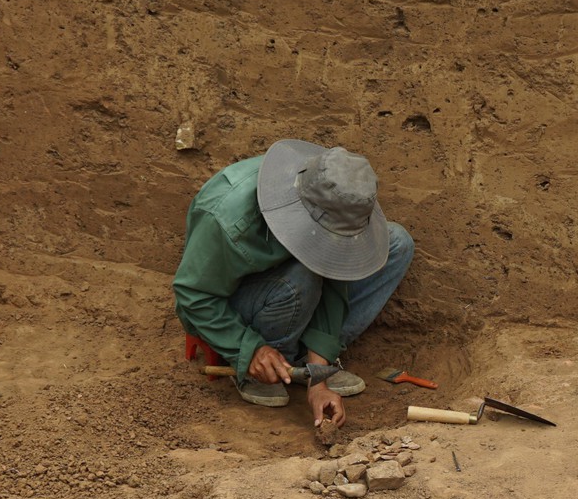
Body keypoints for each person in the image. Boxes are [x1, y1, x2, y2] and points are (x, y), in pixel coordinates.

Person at [172, 140, 415, 429]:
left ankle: (306, 360)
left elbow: (336, 272)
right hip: (238, 303)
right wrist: (247, 347)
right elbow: (193, 295)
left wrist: (318, 377)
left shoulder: (339, 192)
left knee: (396, 243)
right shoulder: (227, 218)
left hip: (291, 289)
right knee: (302, 277)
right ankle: (268, 363)